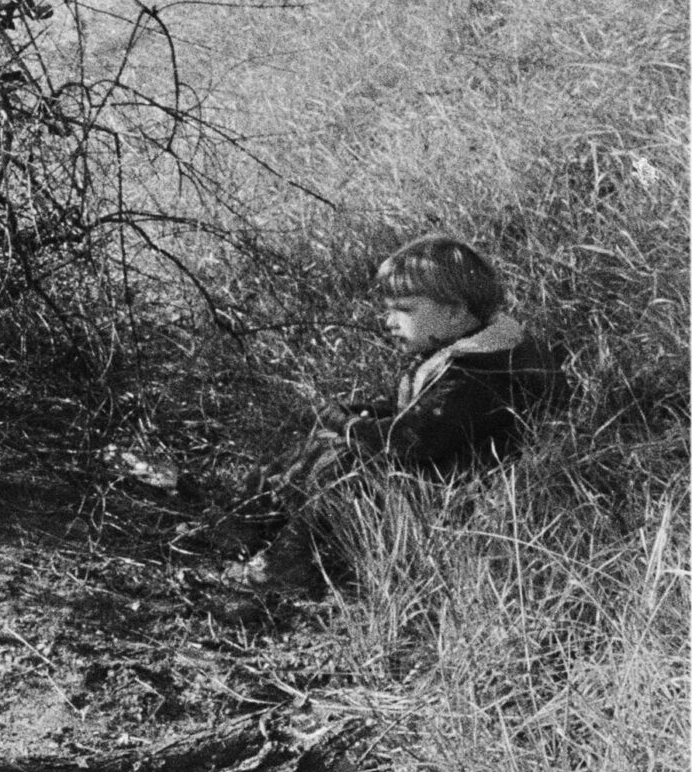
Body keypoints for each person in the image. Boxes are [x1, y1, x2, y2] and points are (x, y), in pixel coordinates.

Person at [219, 233, 562, 590]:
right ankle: (241, 527)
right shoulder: (483, 352)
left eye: (405, 310)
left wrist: (345, 423)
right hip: (446, 475)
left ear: (454, 311)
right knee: (329, 444)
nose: (389, 322)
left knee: (344, 464)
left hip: (461, 503)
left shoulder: (478, 375)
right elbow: (428, 418)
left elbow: (411, 440)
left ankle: (285, 565)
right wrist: (361, 414)